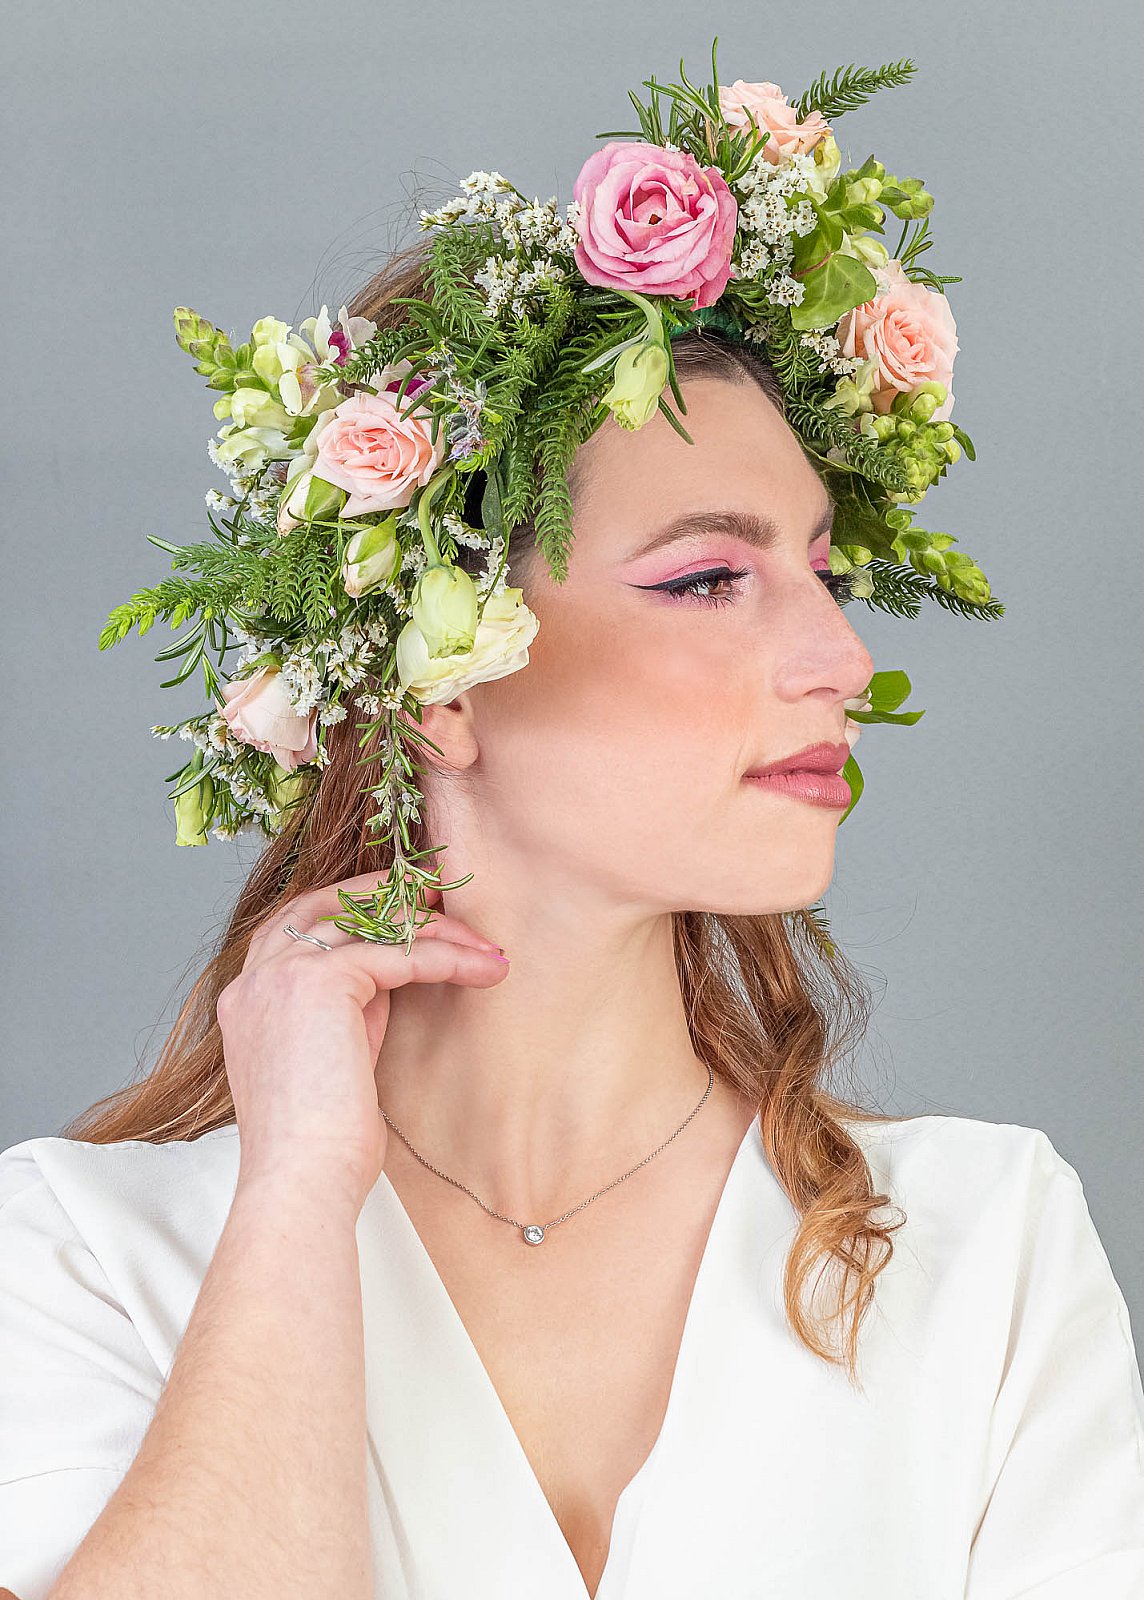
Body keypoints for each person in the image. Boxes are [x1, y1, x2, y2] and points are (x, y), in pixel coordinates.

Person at [4, 54, 1144, 1600]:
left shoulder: (985, 1247)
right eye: (707, 579)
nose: (840, 658)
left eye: (824, 576)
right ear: (439, 682)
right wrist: (298, 1193)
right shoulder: (84, 1257)